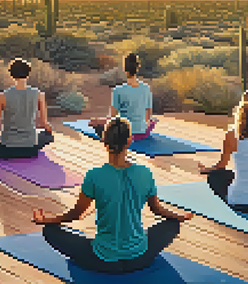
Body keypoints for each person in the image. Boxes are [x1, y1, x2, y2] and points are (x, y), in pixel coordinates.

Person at [33, 117, 193, 273]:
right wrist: (179, 216)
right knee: (173, 224)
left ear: (104, 141)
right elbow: (157, 209)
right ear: (130, 141)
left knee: (50, 231)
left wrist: (48, 220)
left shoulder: (94, 175)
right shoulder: (145, 173)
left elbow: (76, 214)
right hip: (140, 257)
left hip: (102, 260)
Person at [0, 58, 54, 158]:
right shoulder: (39, 94)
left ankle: (7, 153)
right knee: (46, 136)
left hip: (8, 148)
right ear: (28, 73)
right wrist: (49, 132)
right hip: (30, 148)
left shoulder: (1, 97)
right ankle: (26, 150)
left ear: (11, 75)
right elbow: (44, 123)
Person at [89, 53, 157, 141]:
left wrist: (98, 121)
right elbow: (148, 115)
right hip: (142, 132)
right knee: (152, 121)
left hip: (124, 134)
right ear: (137, 68)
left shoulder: (118, 90)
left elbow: (112, 118)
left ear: (124, 69)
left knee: (94, 123)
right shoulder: (146, 88)